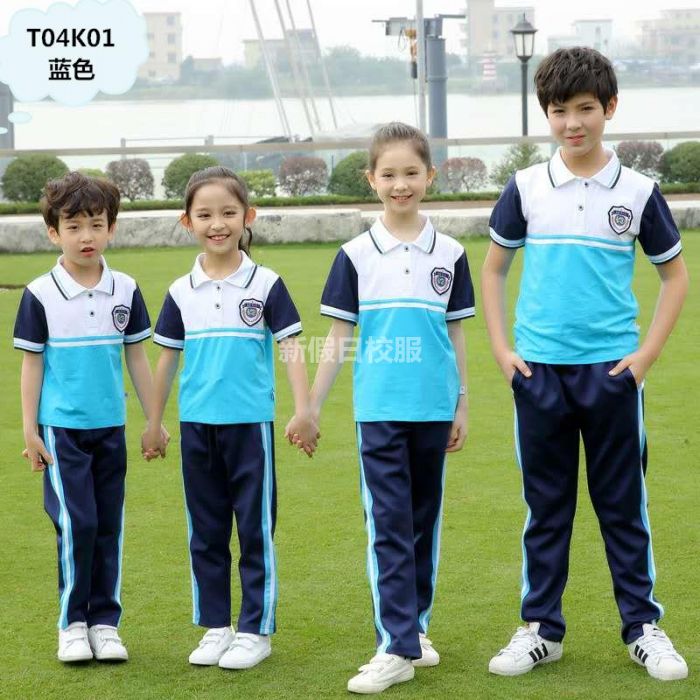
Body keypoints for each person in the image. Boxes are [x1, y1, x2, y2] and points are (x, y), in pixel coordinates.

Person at [482, 47, 689, 681]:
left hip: (612, 375)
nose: (572, 123)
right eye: (559, 111)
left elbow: (675, 277)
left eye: (585, 108)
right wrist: (503, 351)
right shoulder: (525, 188)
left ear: (610, 108)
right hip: (538, 374)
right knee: (546, 508)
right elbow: (493, 270)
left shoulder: (639, 191)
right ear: (545, 114)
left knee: (623, 506)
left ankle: (643, 627)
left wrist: (645, 357)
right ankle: (541, 629)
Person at [302, 122, 475, 694]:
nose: (400, 184)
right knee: (389, 527)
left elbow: (456, 334)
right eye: (389, 174)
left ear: (430, 176)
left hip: (433, 410)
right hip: (378, 411)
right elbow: (337, 338)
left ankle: (415, 629)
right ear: (371, 179)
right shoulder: (354, 255)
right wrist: (311, 407)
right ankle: (395, 645)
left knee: (422, 524)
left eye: (411, 173)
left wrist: (461, 403)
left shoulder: (451, 253)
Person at [142, 166, 318, 670]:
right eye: (204, 215)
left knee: (255, 530)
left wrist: (303, 410)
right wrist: (154, 422)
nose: (217, 224)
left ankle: (255, 630)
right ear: (187, 222)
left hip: (250, 427)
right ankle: (217, 626)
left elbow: (290, 346)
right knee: (206, 531)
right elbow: (166, 360)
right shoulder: (181, 291)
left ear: (248, 217)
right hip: (197, 427)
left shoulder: (266, 284)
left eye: (227, 213)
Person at [13, 172, 164, 663]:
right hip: (62, 432)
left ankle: (105, 623)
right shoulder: (40, 293)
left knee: (107, 526)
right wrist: (30, 431)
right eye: (73, 226)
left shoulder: (126, 288)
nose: (86, 236)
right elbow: (32, 363)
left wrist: (154, 420)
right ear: (53, 232)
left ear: (111, 228)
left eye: (96, 225)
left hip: (110, 428)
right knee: (77, 523)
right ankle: (72, 624)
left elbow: (137, 356)